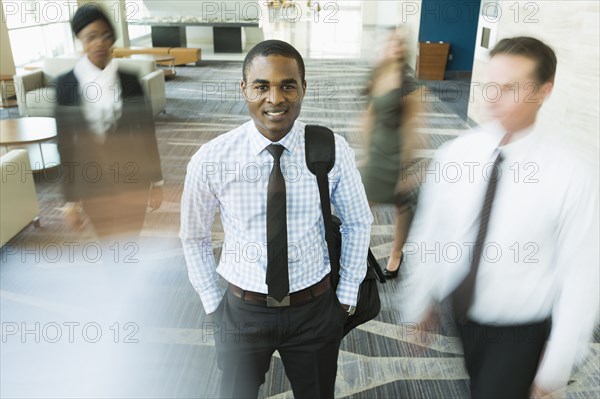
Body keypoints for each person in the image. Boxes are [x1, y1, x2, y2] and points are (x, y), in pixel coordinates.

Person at [402, 36, 599, 398]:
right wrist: (422, 299)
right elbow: (432, 232)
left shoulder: (570, 176)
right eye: (490, 85)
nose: (492, 98)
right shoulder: (456, 154)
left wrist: (554, 369)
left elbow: (582, 279)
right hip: (462, 317)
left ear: (544, 91)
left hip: (520, 331)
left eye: (510, 88)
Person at [180, 40, 373, 398]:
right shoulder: (213, 159)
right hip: (243, 310)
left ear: (303, 88)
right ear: (244, 89)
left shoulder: (331, 149)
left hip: (314, 309)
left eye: (288, 85)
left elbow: (358, 221)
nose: (275, 99)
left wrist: (344, 297)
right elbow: (193, 235)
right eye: (261, 86)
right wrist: (211, 302)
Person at [55, 4, 163, 239]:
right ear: (80, 40)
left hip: (134, 180)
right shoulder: (66, 85)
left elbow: (146, 132)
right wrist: (71, 200)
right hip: (92, 184)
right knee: (107, 243)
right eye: (90, 37)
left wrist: (157, 180)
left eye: (105, 35)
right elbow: (65, 145)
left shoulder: (130, 80)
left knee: (130, 241)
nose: (99, 43)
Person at [360, 27, 424, 279]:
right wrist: (366, 151)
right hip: (377, 150)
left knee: (402, 205)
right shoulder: (377, 72)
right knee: (361, 206)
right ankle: (358, 254)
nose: (395, 46)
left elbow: (413, 127)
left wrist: (406, 167)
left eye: (400, 42)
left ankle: (396, 253)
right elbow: (368, 113)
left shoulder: (409, 82)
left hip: (398, 153)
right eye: (391, 41)